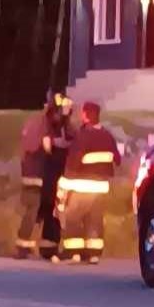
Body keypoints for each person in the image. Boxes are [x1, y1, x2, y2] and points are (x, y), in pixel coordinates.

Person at [57, 100, 121, 264]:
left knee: (73, 218)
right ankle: (93, 254)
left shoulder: (83, 136)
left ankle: (73, 253)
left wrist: (63, 185)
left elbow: (73, 162)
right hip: (101, 188)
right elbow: (117, 159)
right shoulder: (108, 136)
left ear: (85, 115)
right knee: (95, 220)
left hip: (82, 186)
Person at [13, 96, 59, 258]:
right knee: (34, 211)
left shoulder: (32, 122)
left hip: (27, 172)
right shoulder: (45, 125)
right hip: (39, 175)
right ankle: (24, 246)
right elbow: (47, 146)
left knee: (31, 211)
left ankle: (25, 244)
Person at [39, 93, 75, 259]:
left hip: (58, 173)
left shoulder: (62, 125)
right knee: (53, 209)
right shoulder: (52, 125)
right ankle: (49, 247)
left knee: (56, 210)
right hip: (54, 173)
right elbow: (54, 145)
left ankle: (50, 246)